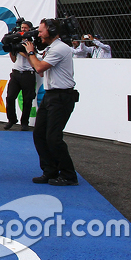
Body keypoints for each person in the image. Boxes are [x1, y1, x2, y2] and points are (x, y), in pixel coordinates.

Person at [24, 19, 80, 186]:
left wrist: (31, 53)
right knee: (39, 134)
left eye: (41, 31)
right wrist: (28, 53)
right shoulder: (51, 49)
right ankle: (50, 171)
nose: (38, 34)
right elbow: (39, 71)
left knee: (53, 138)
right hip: (51, 96)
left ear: (52, 31)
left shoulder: (60, 48)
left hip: (62, 97)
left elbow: (39, 68)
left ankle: (69, 175)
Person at [4, 21, 37, 131]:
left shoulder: (32, 42)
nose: (23, 30)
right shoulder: (16, 39)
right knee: (10, 97)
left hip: (28, 74)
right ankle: (11, 119)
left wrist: (22, 50)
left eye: (26, 28)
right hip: (16, 72)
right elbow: (13, 59)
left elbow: (32, 58)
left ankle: (24, 123)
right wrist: (12, 49)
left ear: (30, 29)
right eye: (22, 27)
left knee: (27, 100)